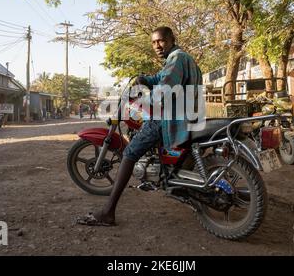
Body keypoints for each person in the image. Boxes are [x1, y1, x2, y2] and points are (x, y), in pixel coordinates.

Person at [75, 26, 202, 226]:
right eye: (153, 42)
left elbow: (164, 90)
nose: (157, 46)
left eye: (161, 41)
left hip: (169, 118)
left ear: (171, 39)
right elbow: (161, 78)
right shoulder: (179, 59)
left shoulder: (177, 58)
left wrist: (142, 98)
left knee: (130, 153)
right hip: (186, 116)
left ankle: (108, 212)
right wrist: (144, 80)